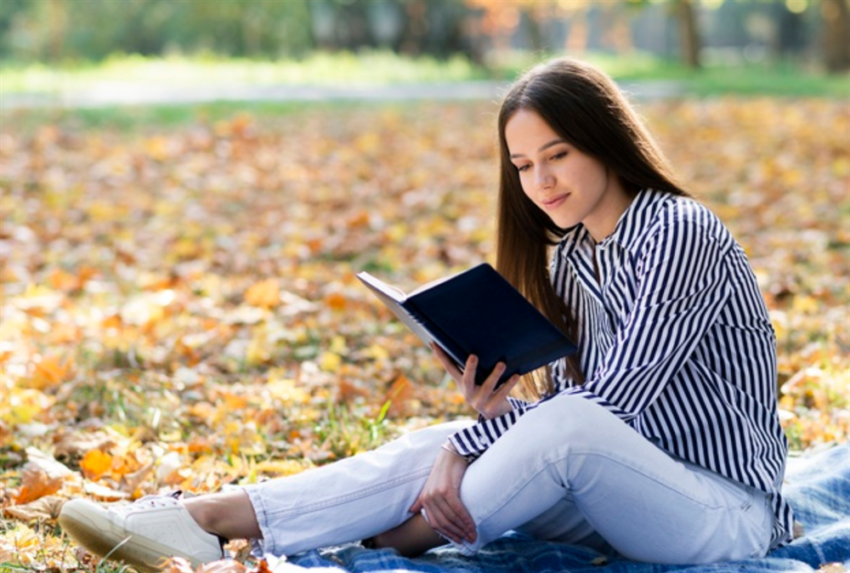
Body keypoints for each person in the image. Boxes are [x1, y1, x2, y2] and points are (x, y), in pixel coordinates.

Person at [58, 58, 793, 571]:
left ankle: (387, 543)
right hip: (630, 494)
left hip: (719, 513)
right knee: (442, 439)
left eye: (557, 154)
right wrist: (491, 414)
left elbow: (611, 407)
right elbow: (596, 414)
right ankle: (202, 520)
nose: (540, 180)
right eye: (523, 164)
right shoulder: (577, 256)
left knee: (538, 433)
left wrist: (480, 440)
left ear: (604, 140)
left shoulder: (677, 230)